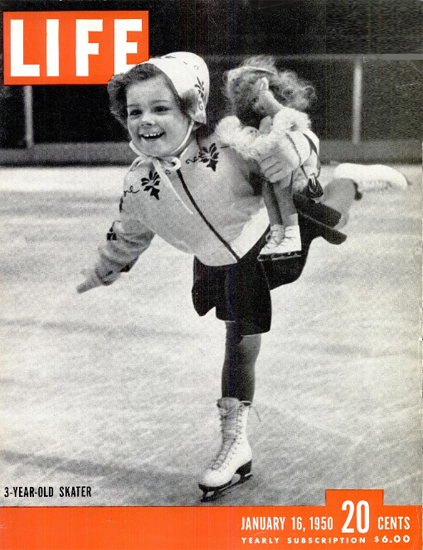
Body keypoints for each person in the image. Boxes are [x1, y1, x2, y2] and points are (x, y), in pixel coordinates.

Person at [77, 52, 408, 502]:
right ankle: (235, 441)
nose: (146, 120)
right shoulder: (138, 183)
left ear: (191, 110)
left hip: (270, 238)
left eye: (160, 108)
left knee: (331, 216)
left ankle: (350, 178)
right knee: (240, 340)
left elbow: (297, 140)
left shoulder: (226, 146)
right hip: (222, 266)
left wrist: (290, 164)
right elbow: (128, 233)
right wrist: (105, 267)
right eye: (135, 111)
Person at [216, 56, 318, 260]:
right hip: (275, 172)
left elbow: (296, 129)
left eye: (263, 96)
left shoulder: (284, 115)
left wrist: (266, 97)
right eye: (253, 100)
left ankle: (292, 235)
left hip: (299, 174)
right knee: (270, 195)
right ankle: (278, 231)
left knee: (286, 196)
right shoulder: (257, 124)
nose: (259, 103)